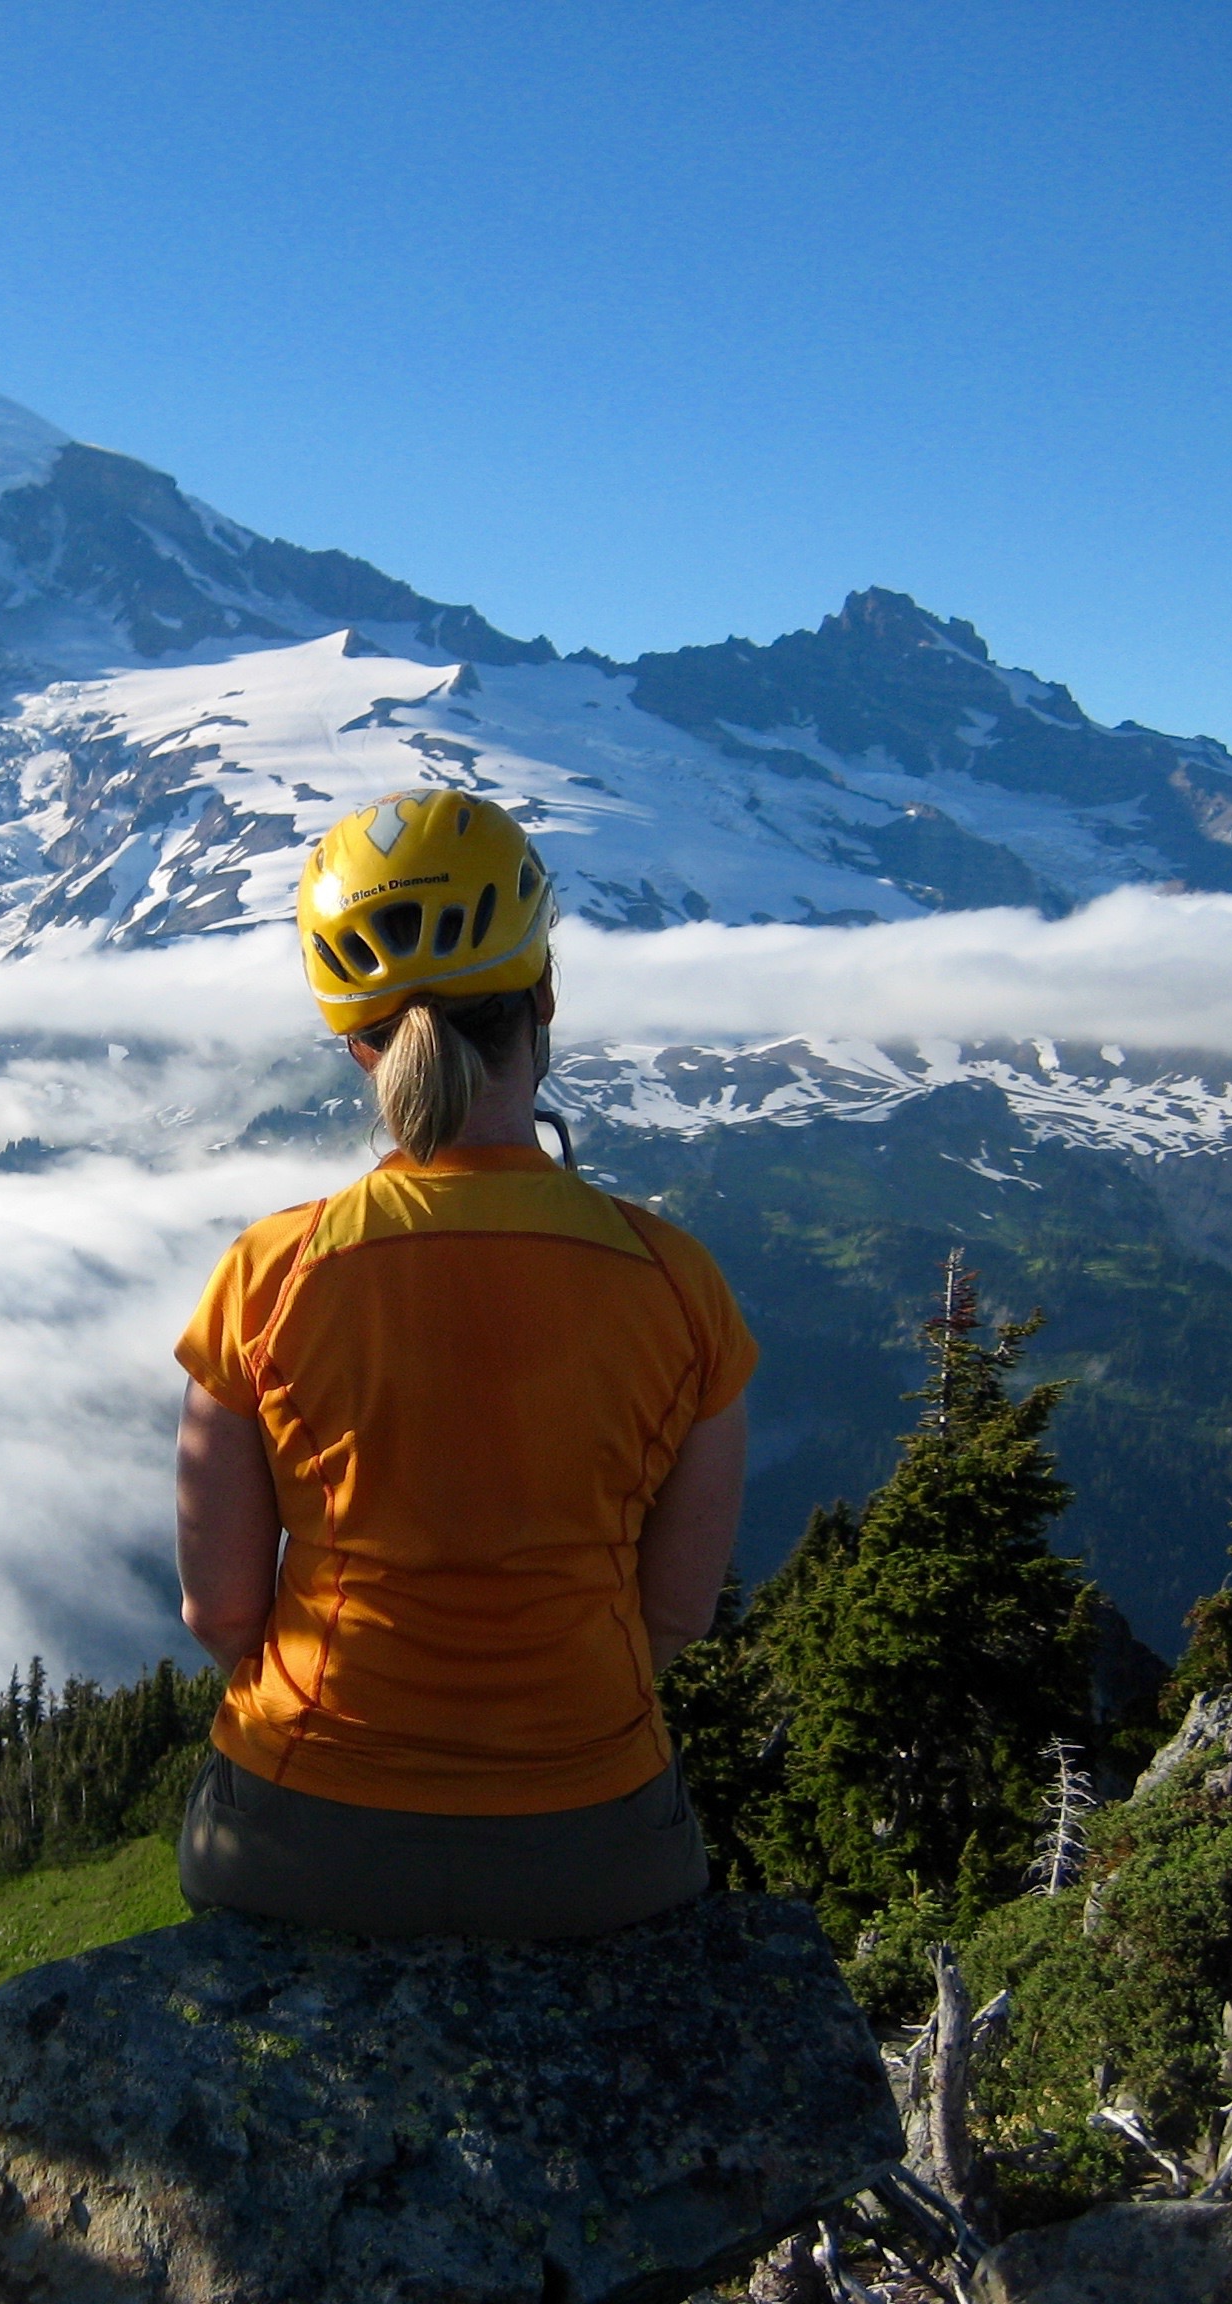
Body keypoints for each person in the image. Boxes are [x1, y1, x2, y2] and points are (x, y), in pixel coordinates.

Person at [170, 790, 755, 1937]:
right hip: (599, 1844)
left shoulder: (269, 1275)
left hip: (298, 1839)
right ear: (541, 1001)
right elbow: (677, 1611)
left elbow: (222, 1610)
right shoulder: (677, 1283)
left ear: (358, 1043)